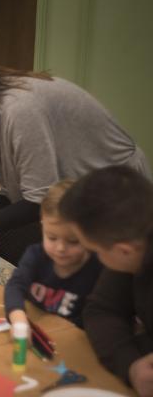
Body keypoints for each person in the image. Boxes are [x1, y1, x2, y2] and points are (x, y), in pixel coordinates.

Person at [0, 30, 151, 252]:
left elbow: (39, 200)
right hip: (88, 200)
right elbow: (19, 190)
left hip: (119, 199)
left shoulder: (18, 109)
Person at [59, 166, 153, 396]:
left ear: (124, 251)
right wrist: (131, 365)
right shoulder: (133, 239)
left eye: (95, 251)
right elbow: (102, 309)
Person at [4, 180, 102, 329]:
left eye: (73, 241)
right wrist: (18, 317)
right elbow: (14, 286)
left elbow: (98, 318)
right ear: (42, 223)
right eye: (52, 238)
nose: (61, 248)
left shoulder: (98, 270)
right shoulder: (36, 255)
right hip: (35, 328)